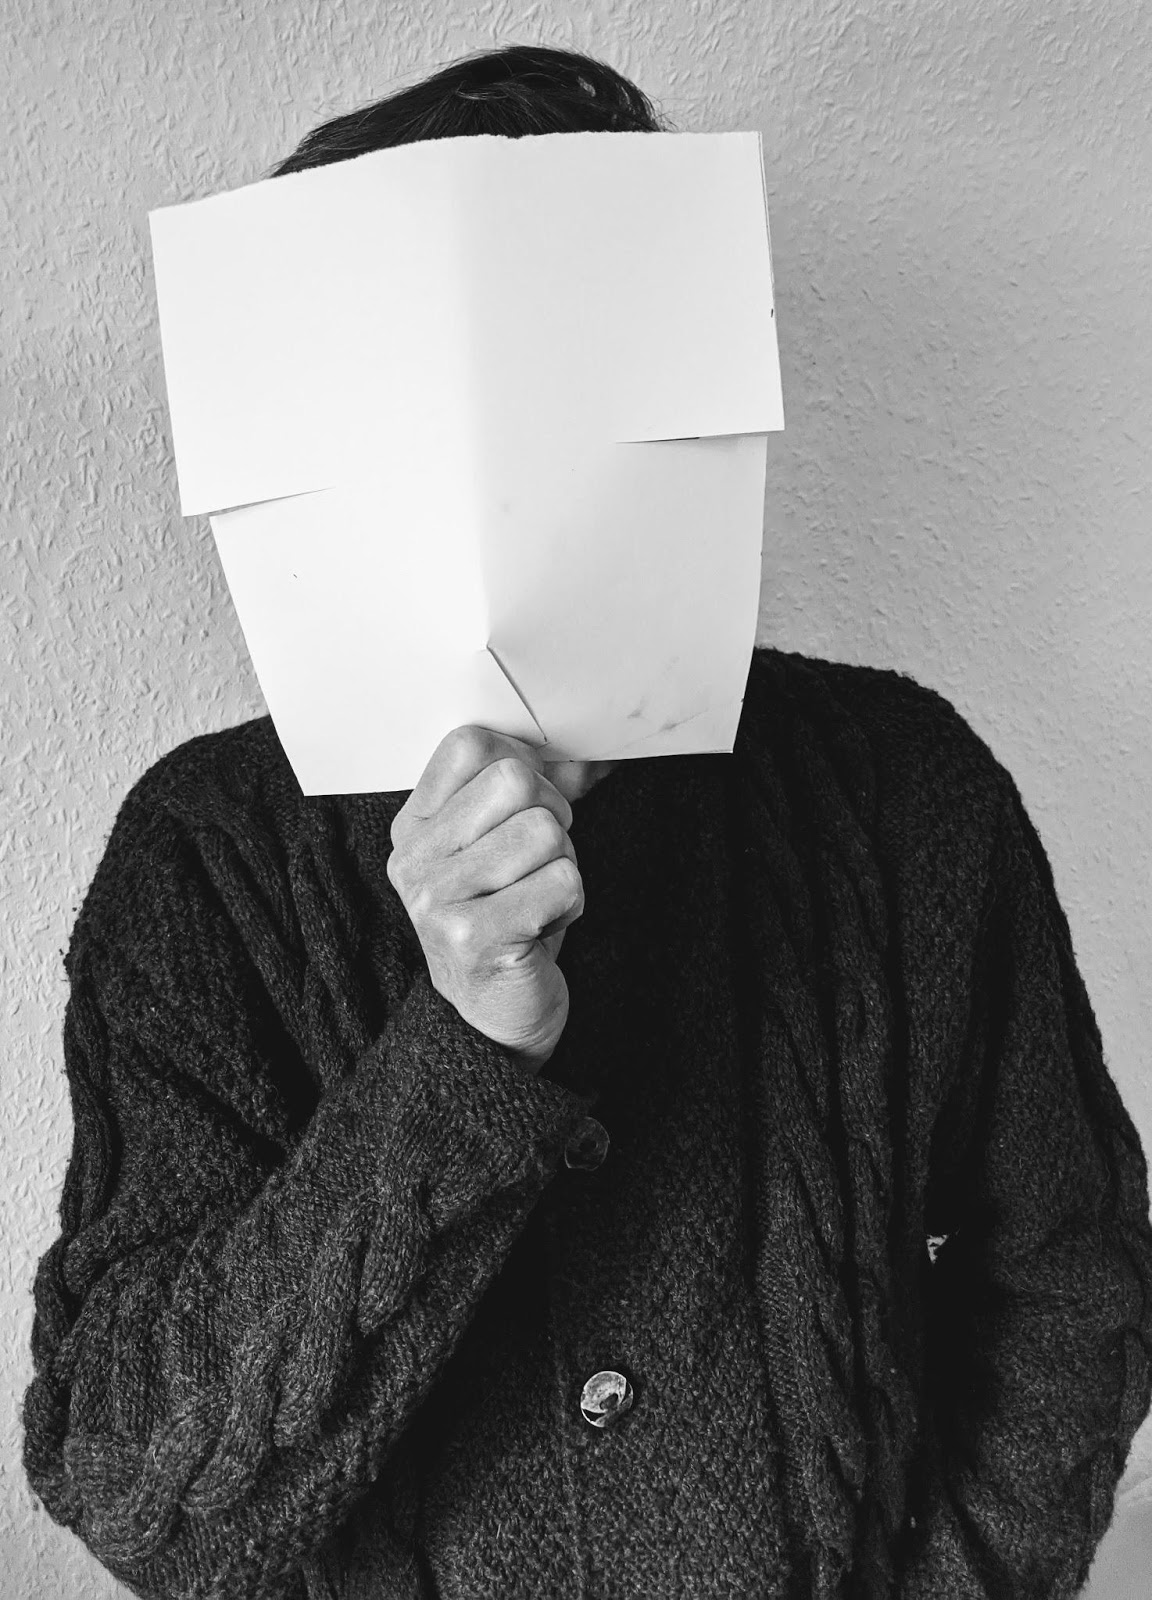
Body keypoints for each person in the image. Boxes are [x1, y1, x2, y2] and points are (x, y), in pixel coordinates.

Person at [21, 43, 1152, 1600]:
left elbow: (1069, 1277)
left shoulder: (905, 790)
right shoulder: (206, 858)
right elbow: (142, 1492)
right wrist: (458, 1058)